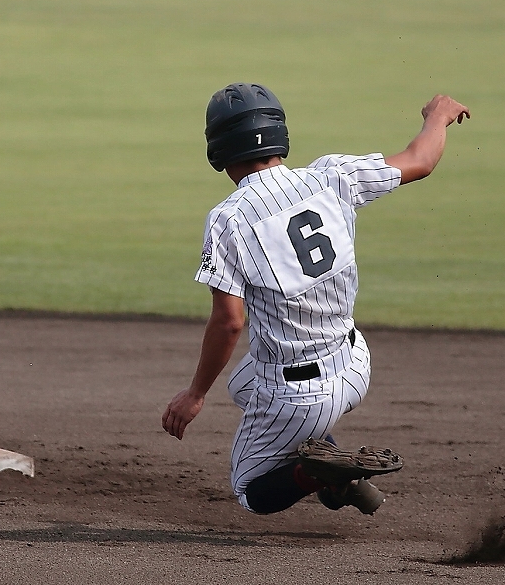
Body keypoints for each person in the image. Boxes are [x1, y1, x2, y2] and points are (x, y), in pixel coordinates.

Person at [162, 83, 469, 515]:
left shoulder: (228, 220)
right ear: (278, 135)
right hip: (355, 362)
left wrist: (193, 395)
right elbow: (420, 160)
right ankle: (338, 473)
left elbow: (230, 322)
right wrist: (437, 117)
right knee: (240, 384)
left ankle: (319, 473)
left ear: (218, 150)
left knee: (251, 491)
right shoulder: (331, 175)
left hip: (297, 394)